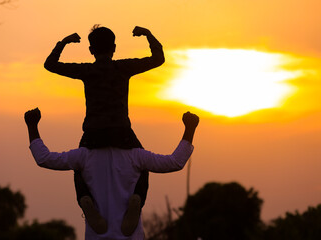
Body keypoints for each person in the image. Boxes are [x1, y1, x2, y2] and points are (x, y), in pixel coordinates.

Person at [44, 25, 165, 235]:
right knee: (143, 164)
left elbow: (50, 65)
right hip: (122, 133)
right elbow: (158, 58)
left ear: (91, 50)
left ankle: (85, 200)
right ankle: (137, 199)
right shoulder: (122, 68)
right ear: (114, 48)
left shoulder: (87, 70)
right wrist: (148, 34)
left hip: (92, 134)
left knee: (79, 167)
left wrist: (63, 43)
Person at [25, 108, 199, 240]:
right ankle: (137, 199)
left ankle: (85, 200)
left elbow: (44, 159)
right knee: (143, 171)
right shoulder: (136, 155)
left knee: (77, 171)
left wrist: (32, 125)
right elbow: (174, 162)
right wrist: (190, 128)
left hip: (96, 235)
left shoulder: (84, 155)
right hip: (131, 236)